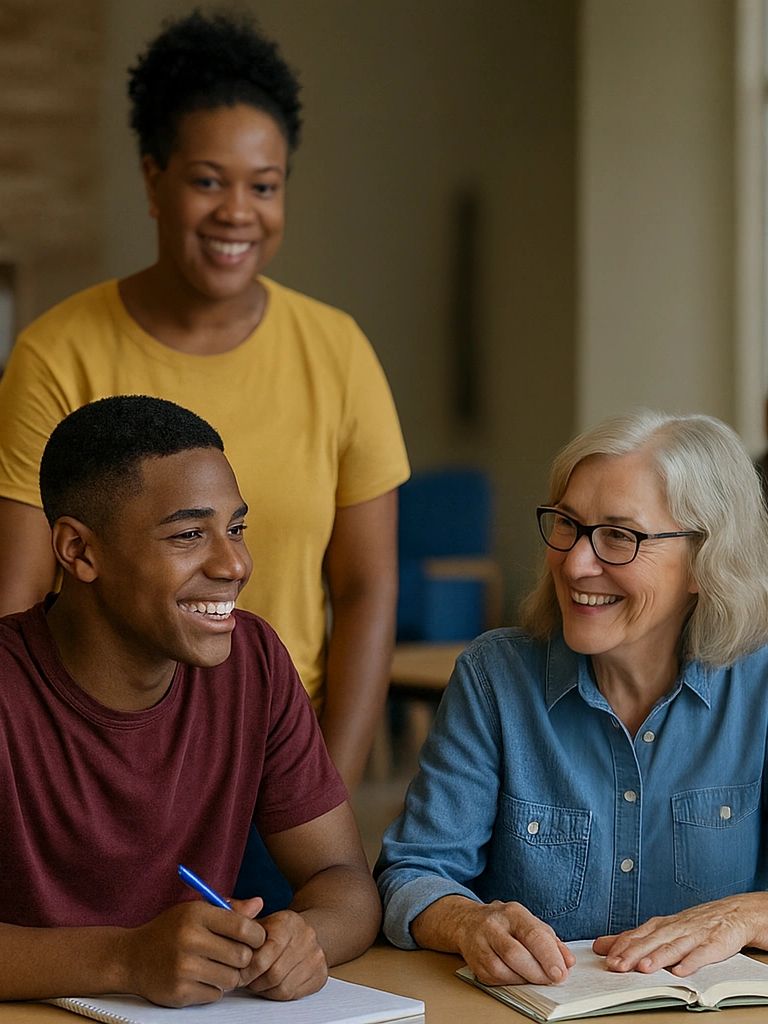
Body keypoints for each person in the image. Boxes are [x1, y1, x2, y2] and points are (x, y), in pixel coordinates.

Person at [0, 8, 409, 793]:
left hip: (273, 764)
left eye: (264, 185)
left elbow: (365, 589)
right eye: (207, 181)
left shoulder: (338, 350)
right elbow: (17, 601)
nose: (237, 212)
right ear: (154, 178)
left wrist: (328, 785)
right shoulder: (57, 352)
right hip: (97, 763)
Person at [0, 395, 380, 1007]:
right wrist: (125, 958)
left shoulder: (251, 660)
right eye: (187, 535)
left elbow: (344, 884)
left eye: (235, 528)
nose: (235, 563)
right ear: (79, 552)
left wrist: (303, 937)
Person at [375, 409, 768, 987]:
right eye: (567, 524)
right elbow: (412, 872)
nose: (577, 564)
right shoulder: (495, 677)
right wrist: (466, 921)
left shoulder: (759, 686)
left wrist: (744, 914)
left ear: (702, 562)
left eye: (619, 536)